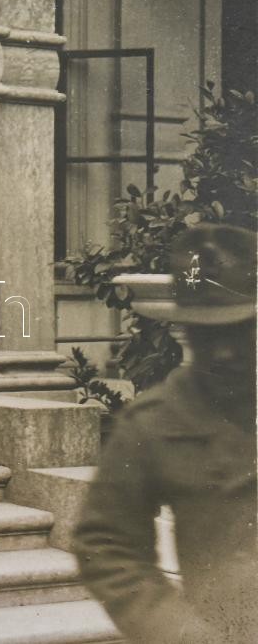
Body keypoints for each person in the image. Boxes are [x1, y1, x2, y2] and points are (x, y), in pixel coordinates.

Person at [73, 223, 258, 643]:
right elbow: (106, 545)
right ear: (183, 330)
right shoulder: (155, 423)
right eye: (206, 334)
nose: (224, 351)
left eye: (236, 330)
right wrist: (179, 633)